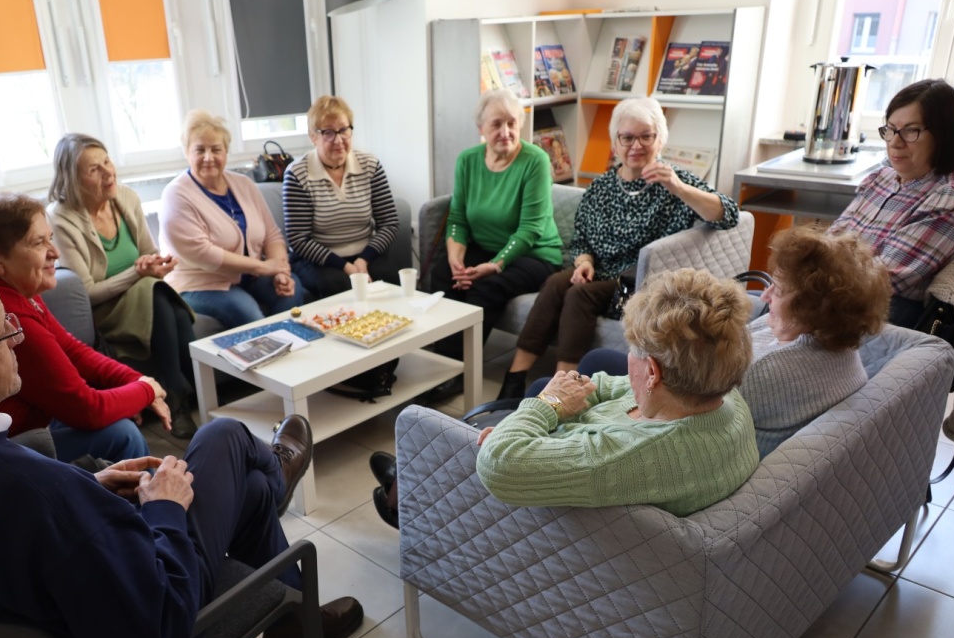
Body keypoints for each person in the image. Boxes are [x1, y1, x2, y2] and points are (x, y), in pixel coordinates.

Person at [0, 263, 363, 638]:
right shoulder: (41, 495)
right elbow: (157, 626)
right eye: (1, 333)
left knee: (239, 489)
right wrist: (164, 509)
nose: (17, 338)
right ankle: (274, 475)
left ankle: (291, 613)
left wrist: (90, 486)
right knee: (223, 440)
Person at [375, 268, 758, 525]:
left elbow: (500, 464)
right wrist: (556, 411)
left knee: (464, 436)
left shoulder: (619, 457)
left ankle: (405, 499)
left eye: (635, 354)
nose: (629, 363)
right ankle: (405, 481)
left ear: (654, 372)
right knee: (539, 399)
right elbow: (612, 385)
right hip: (582, 476)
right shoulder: (720, 396)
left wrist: (546, 411)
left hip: (542, 526)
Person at [541, 227, 892, 458]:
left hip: (690, 434)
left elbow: (676, 410)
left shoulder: (766, 374)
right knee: (592, 365)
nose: (765, 294)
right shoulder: (837, 344)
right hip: (695, 400)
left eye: (780, 290)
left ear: (814, 309)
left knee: (566, 378)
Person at [497, 97, 740, 399]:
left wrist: (677, 187)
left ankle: (562, 387)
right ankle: (515, 376)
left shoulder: (674, 182)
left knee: (579, 294)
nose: (636, 145)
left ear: (659, 139)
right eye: (627, 137)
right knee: (556, 283)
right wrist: (584, 260)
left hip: (636, 284)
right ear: (615, 142)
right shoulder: (601, 187)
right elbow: (582, 238)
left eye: (646, 136)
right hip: (598, 272)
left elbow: (728, 215)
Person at [0, 190, 164, 465]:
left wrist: (135, 381)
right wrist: (146, 391)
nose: (54, 253)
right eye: (39, 243)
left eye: (50, 239)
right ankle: (143, 506)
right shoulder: (9, 319)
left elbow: (71, 349)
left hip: (16, 428)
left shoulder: (11, 290)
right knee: (122, 434)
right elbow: (87, 409)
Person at [47, 133, 198, 439]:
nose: (108, 172)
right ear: (72, 179)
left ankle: (180, 393)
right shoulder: (60, 219)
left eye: (107, 161)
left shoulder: (126, 197)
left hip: (147, 297)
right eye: (94, 169)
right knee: (152, 292)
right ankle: (180, 393)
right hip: (105, 309)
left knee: (173, 310)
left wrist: (157, 265)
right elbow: (87, 292)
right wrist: (138, 274)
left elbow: (148, 252)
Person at [424, 88, 564, 403]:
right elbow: (457, 217)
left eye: (512, 123)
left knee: (485, 288)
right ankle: (441, 363)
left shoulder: (535, 161)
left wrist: (495, 265)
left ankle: (459, 371)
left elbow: (530, 228)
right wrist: (454, 258)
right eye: (496, 124)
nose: (506, 132)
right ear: (481, 130)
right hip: (485, 247)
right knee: (443, 274)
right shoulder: (468, 160)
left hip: (535, 254)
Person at [830, 78, 954, 328]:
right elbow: (830, 241)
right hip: (833, 296)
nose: (895, 142)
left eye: (911, 130)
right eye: (890, 129)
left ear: (943, 135)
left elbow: (884, 279)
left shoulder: (952, 196)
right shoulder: (881, 178)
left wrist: (808, 286)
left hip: (878, 316)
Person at [159, 111, 303, 329]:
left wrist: (281, 272)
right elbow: (205, 254)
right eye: (200, 150)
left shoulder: (243, 184)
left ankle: (288, 352)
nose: (209, 157)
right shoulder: (175, 195)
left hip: (248, 277)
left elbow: (272, 235)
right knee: (248, 313)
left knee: (293, 292)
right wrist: (264, 267)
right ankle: (269, 357)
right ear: (187, 152)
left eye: (216, 149)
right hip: (200, 283)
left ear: (226, 151)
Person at [283, 95, 403, 299]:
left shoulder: (370, 165)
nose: (338, 140)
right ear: (313, 136)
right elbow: (298, 239)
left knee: (391, 277)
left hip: (365, 254)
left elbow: (389, 223)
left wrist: (363, 260)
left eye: (344, 130)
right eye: (328, 133)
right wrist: (345, 266)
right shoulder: (297, 174)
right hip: (319, 260)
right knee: (338, 284)